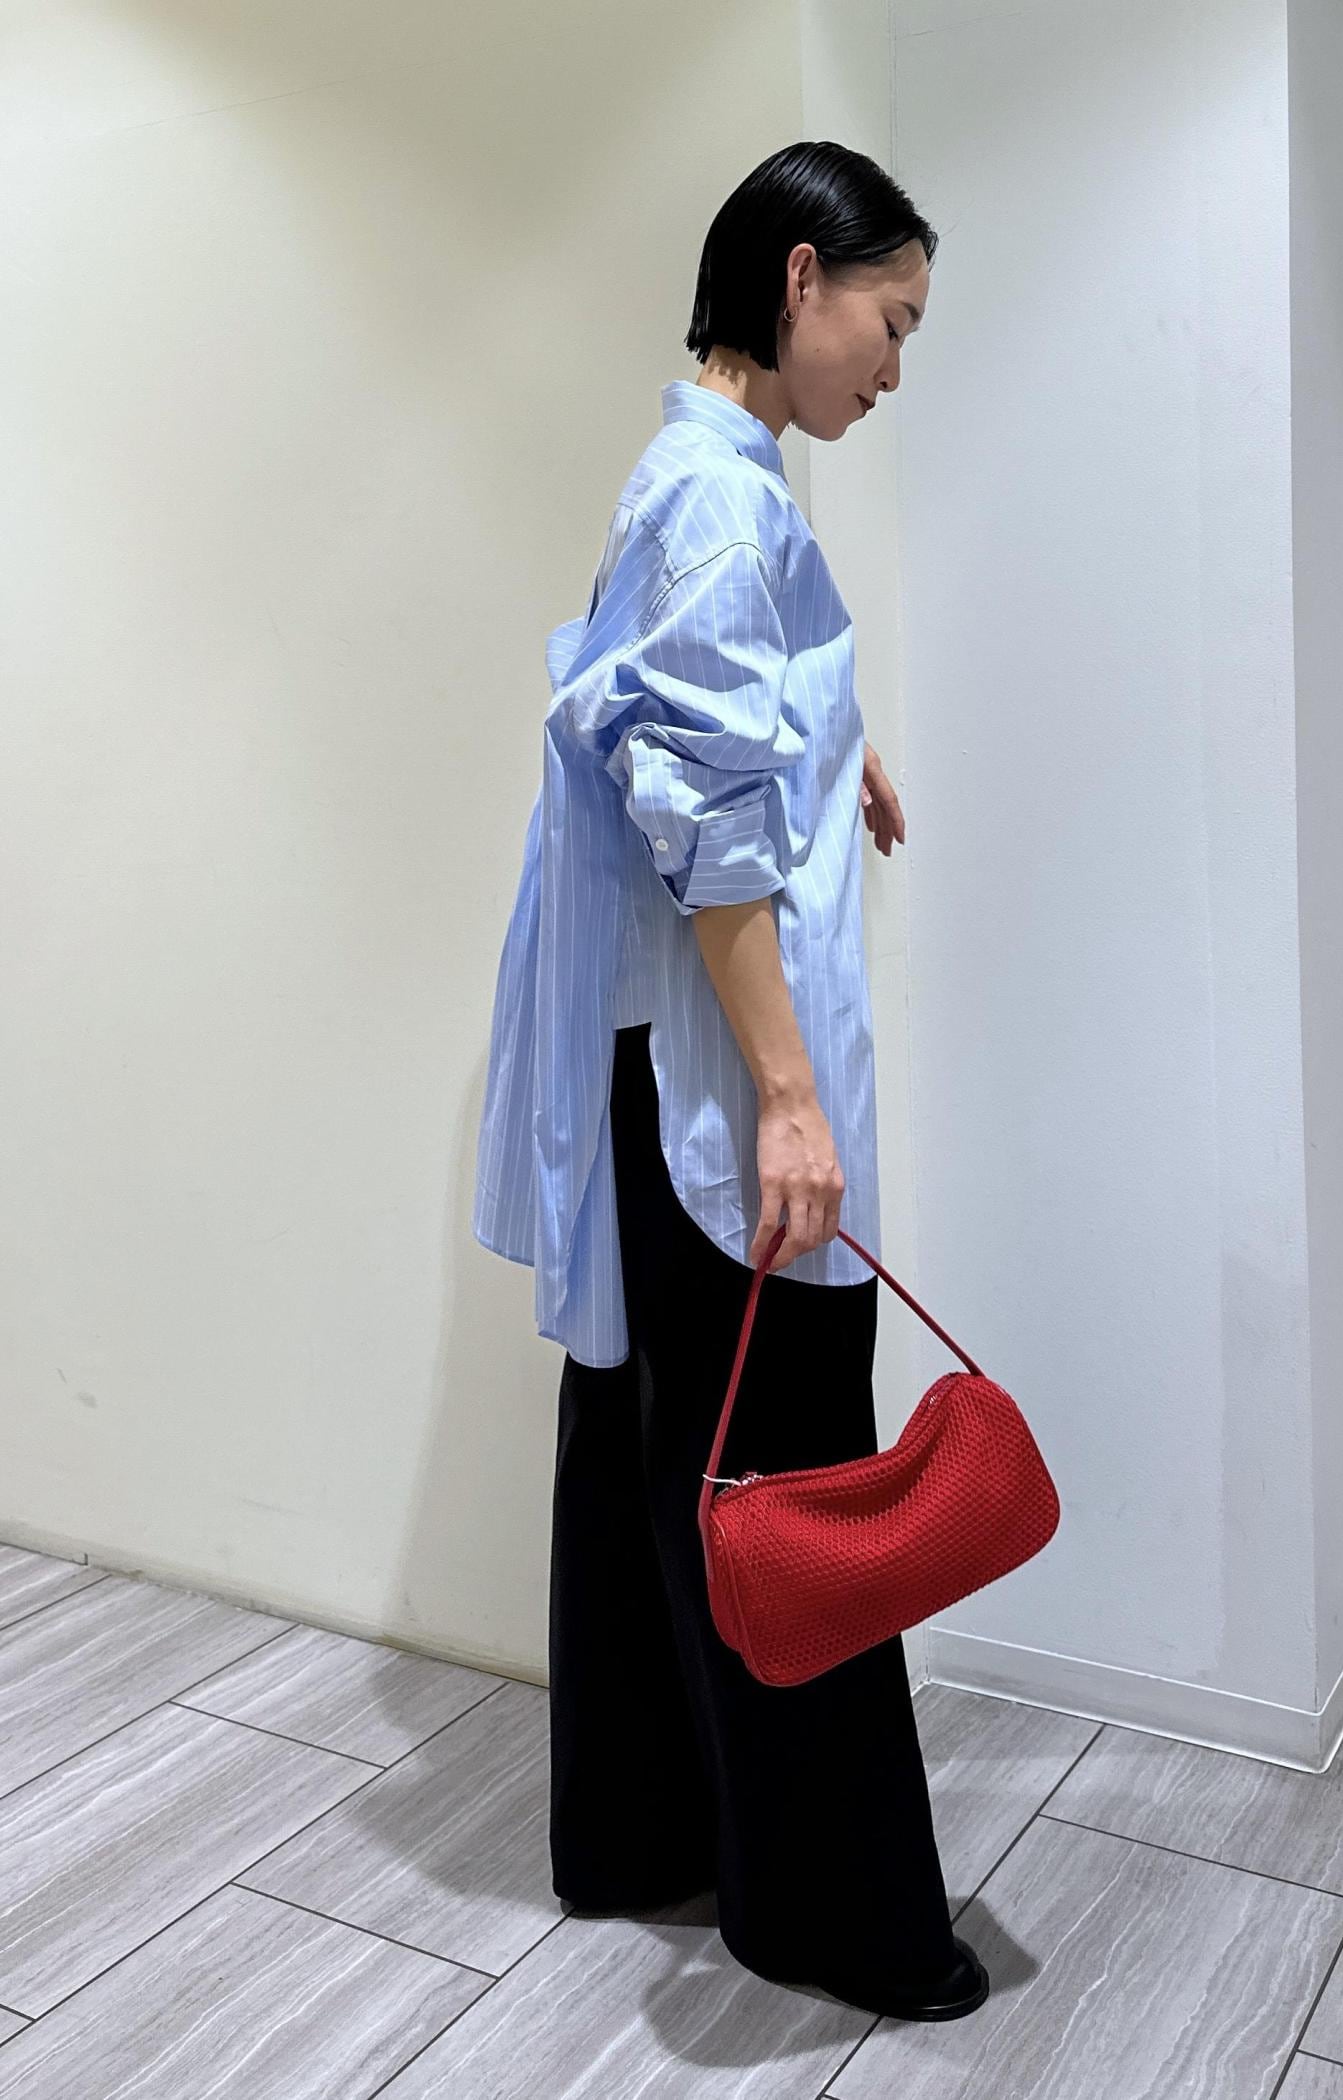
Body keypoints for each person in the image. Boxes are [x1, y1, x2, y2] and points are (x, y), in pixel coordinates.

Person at [472, 139, 988, 2024]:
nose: (896, 366)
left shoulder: (706, 480)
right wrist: (785, 1095)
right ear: (798, 279)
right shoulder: (711, 499)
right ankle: (838, 1915)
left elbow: (677, 718)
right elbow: (692, 806)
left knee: (668, 1460)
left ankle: (648, 1835)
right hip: (711, 1084)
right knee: (790, 1482)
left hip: (660, 1069)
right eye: (892, 320)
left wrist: (834, 749)